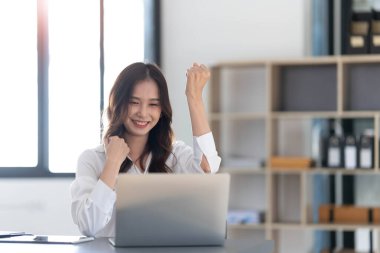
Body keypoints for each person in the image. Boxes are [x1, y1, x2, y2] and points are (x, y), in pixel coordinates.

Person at [70, 62, 222, 237]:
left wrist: (194, 97)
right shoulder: (92, 159)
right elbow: (89, 225)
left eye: (153, 104)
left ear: (162, 109)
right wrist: (112, 163)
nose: (143, 113)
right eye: (134, 102)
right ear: (117, 103)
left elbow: (208, 167)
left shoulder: (174, 155)